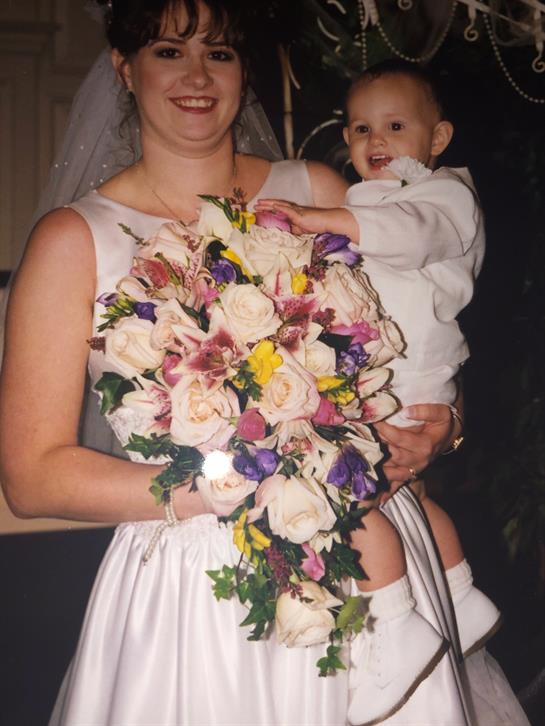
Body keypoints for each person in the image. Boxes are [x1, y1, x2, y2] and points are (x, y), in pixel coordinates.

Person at [0, 2, 528, 725]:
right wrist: (224, 491)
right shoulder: (74, 241)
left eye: (218, 53)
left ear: (242, 70)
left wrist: (443, 425)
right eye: (166, 51)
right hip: (201, 583)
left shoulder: (320, 191)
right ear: (124, 68)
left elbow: (423, 338)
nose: (196, 75)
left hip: (371, 559)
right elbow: (32, 476)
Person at [256, 60, 505, 724]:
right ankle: (460, 591)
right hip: (395, 372)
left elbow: (407, 235)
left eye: (396, 125)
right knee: (411, 495)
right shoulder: (371, 195)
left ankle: (395, 627)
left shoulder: (445, 194)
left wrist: (317, 218)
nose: (376, 140)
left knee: (345, 492)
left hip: (413, 372)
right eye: (362, 127)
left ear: (438, 136)